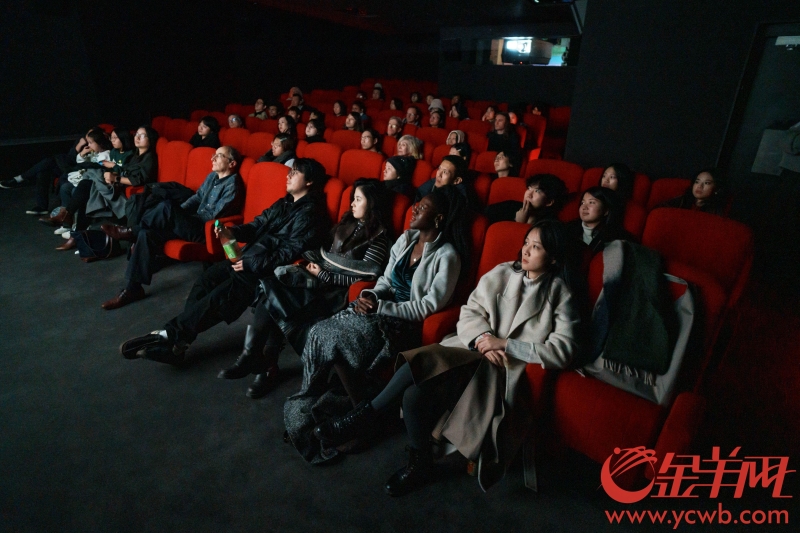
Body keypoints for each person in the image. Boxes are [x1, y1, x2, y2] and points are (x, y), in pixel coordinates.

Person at [314, 219, 580, 495]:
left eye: (535, 247)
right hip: (469, 349)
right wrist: (481, 339)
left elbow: (564, 350)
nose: (525, 250)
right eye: (526, 242)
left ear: (553, 257)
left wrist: (505, 344)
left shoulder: (561, 295)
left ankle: (365, 415)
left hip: (500, 369)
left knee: (421, 368)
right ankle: (418, 462)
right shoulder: (502, 273)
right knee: (412, 395)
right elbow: (470, 311)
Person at [283, 185, 470, 464]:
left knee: (335, 339)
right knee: (321, 333)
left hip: (401, 323)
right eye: (416, 203)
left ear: (439, 219)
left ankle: (362, 420)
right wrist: (369, 295)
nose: (415, 208)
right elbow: (383, 280)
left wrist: (381, 306)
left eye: (423, 207)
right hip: (378, 309)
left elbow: (429, 307)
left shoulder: (448, 256)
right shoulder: (406, 240)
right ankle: (325, 409)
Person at [119, 158, 329, 362]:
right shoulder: (284, 203)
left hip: (262, 272)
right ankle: (178, 344)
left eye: (296, 172)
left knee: (218, 299)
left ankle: (168, 335)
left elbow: (288, 253)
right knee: (204, 282)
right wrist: (232, 232)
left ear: (309, 181)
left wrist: (251, 264)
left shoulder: (310, 214)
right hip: (246, 257)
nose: (289, 175)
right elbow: (256, 225)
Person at [219, 179, 393, 398]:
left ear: (373, 203)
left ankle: (260, 360)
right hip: (318, 281)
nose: (352, 204)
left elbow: (365, 277)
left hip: (334, 293)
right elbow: (326, 254)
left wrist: (322, 274)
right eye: (352, 199)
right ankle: (255, 357)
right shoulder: (347, 222)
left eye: (358, 199)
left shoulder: (379, 238)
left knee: (272, 293)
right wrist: (317, 268)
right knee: (272, 286)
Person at [100, 146, 245, 310]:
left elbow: (214, 217)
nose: (213, 159)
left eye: (219, 156)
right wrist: (178, 214)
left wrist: (177, 216)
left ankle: (131, 232)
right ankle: (133, 289)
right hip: (191, 222)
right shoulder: (212, 176)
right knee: (147, 233)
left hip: (205, 231)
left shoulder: (233, 185)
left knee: (167, 207)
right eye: (214, 155)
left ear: (232, 163)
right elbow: (196, 198)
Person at [39, 129, 112, 230]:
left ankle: (74, 224)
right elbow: (79, 161)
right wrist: (82, 153)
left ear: (100, 142)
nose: (89, 145)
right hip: (83, 179)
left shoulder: (106, 154)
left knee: (74, 190)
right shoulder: (94, 153)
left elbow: (96, 168)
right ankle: (65, 221)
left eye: (91, 142)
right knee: (65, 187)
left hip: (93, 181)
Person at [566, 186, 631, 255]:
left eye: (591, 202)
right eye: (583, 203)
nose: (584, 207)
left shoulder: (617, 238)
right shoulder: (568, 228)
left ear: (606, 210)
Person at [485, 173, 568, 226]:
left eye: (537, 191)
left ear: (549, 202)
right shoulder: (510, 205)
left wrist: (519, 225)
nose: (529, 194)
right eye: (529, 188)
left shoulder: (550, 224)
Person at [415, 155, 479, 211]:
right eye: (439, 168)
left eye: (445, 172)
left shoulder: (460, 200)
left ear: (457, 180)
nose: (438, 174)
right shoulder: (434, 182)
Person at [660, 168, 728, 216]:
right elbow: (659, 210)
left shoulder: (715, 210)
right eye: (697, 182)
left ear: (716, 189)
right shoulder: (683, 200)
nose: (699, 186)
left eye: (706, 183)